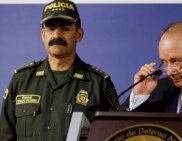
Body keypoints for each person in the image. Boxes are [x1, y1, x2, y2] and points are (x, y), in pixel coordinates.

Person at [0, 0, 120, 140]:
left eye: (65, 28)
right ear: (43, 35)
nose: (57, 36)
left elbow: (117, 134)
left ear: (79, 34)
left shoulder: (99, 84)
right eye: (50, 28)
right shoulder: (21, 80)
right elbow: (4, 136)